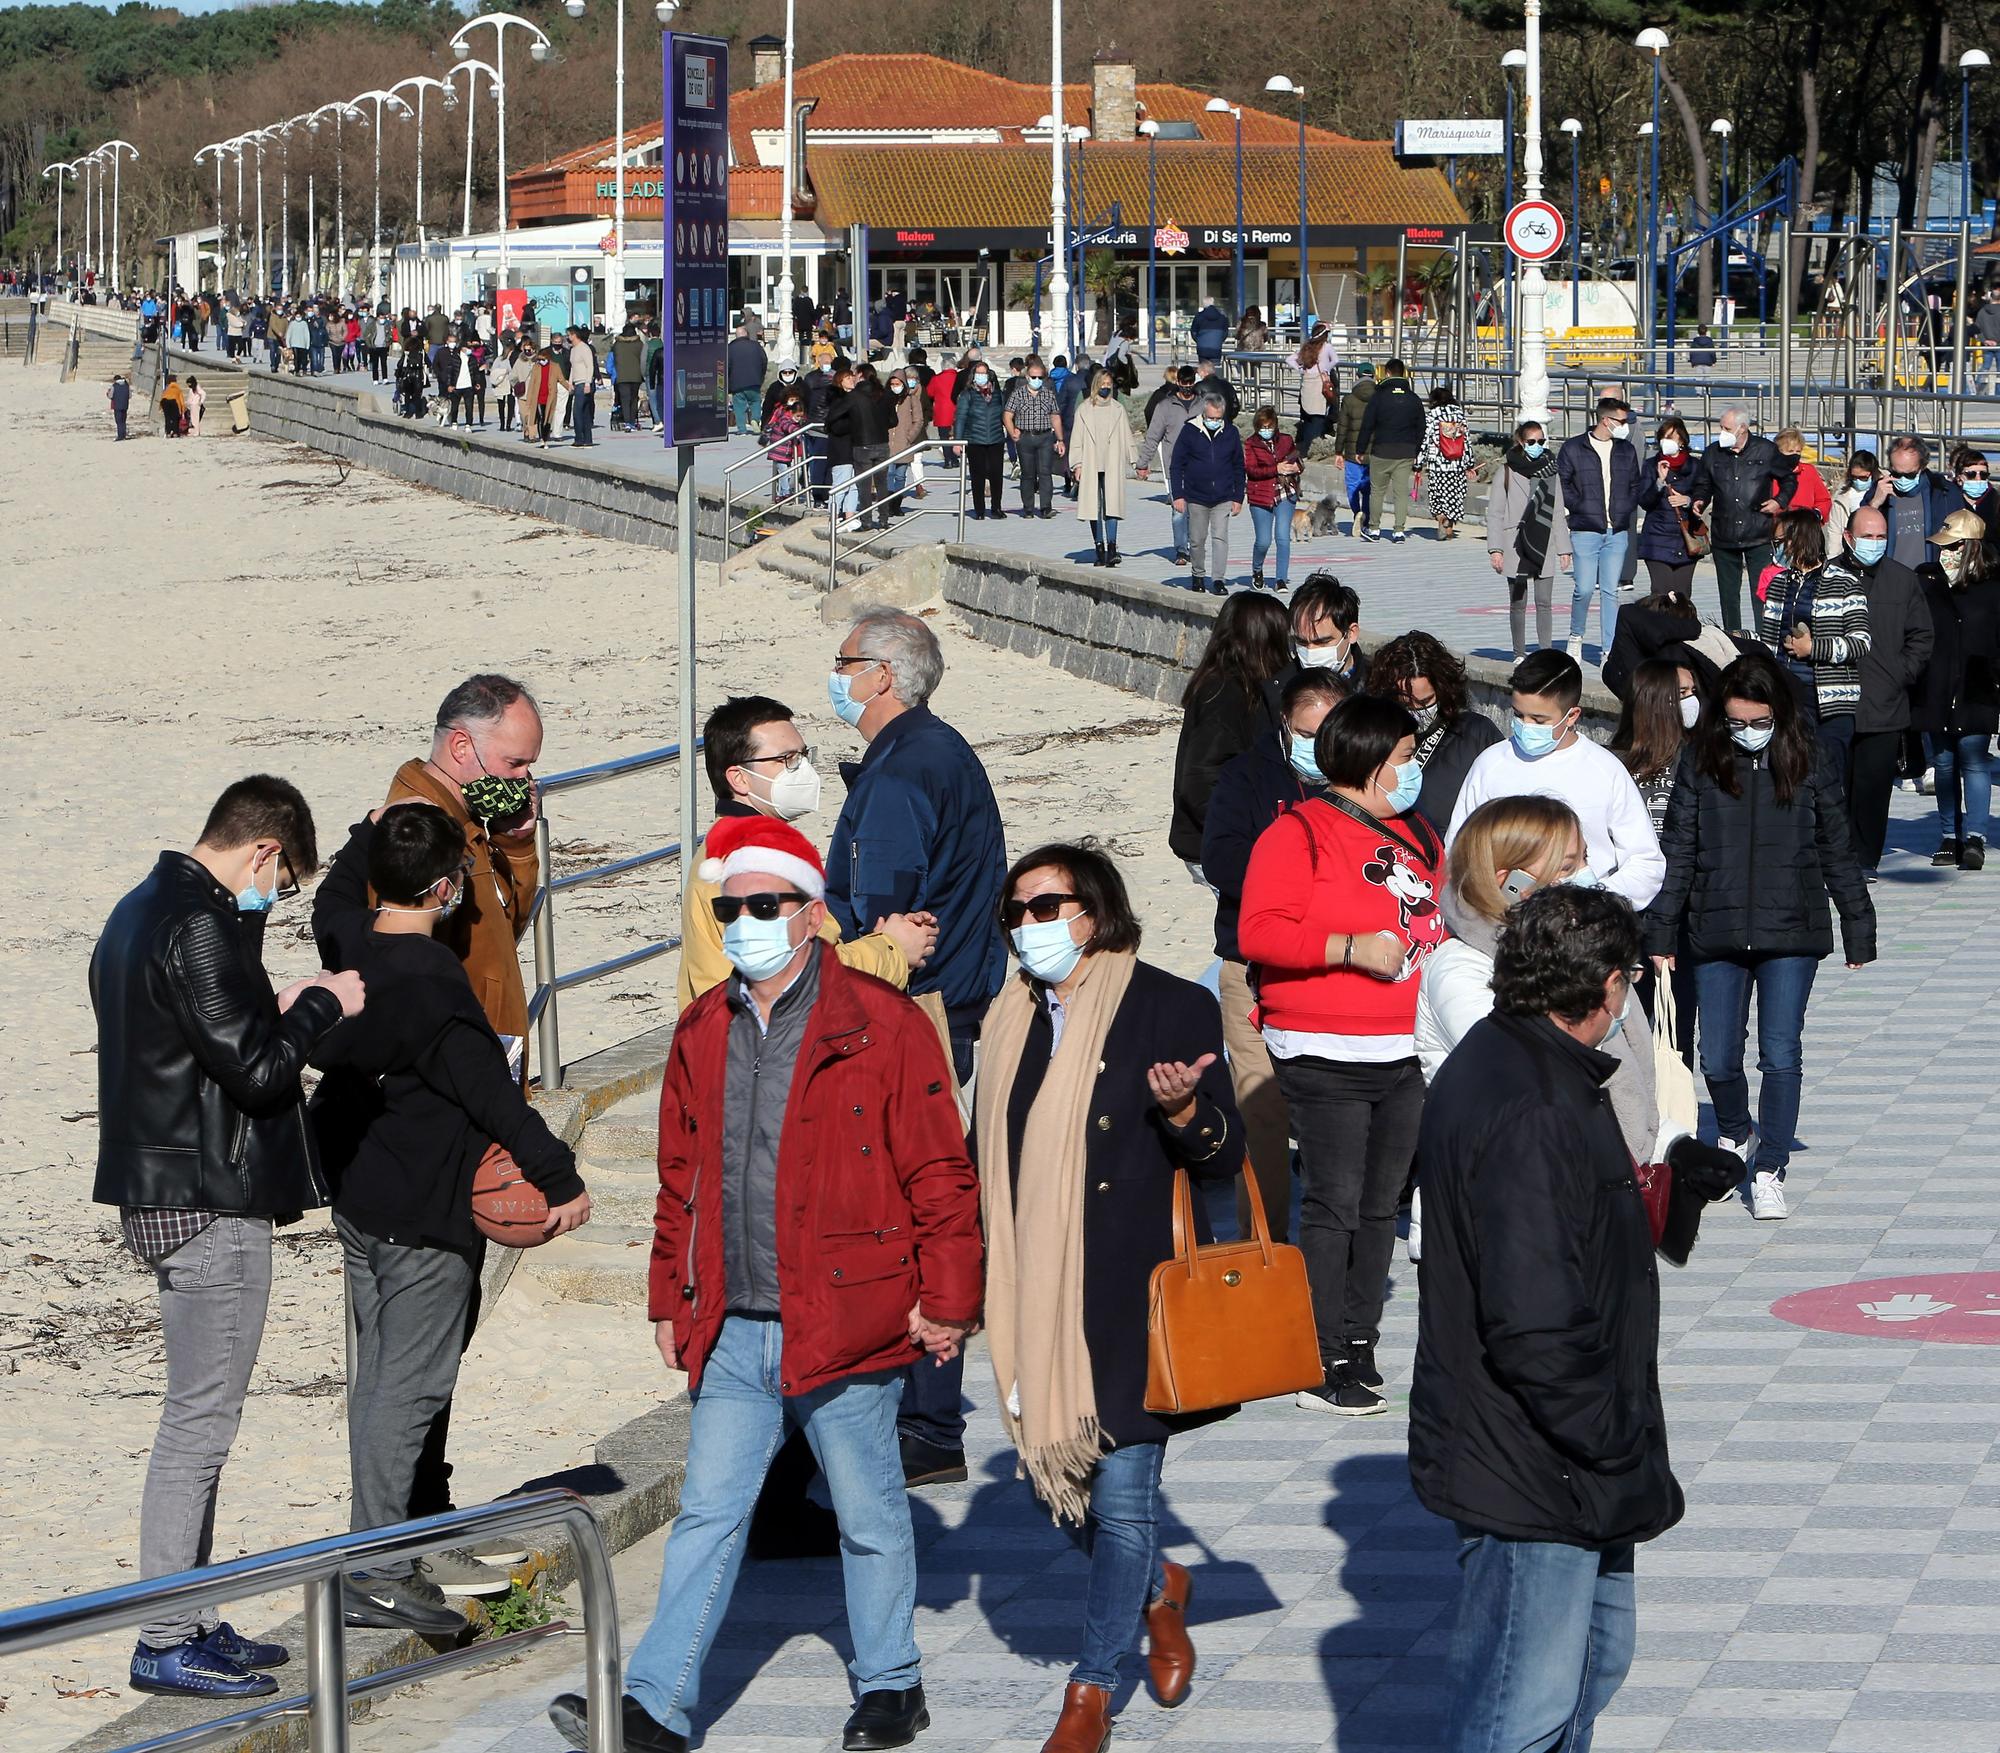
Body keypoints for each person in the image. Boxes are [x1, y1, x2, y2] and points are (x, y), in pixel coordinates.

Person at [548, 821, 980, 1753]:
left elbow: (942, 1171)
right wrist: (671, 1294)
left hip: (847, 1313)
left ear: (812, 913)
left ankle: (892, 1685)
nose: (744, 921)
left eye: (763, 904)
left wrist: (947, 1300)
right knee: (708, 1511)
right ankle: (655, 1707)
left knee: (867, 1513)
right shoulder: (703, 1027)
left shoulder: (884, 1022)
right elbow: (681, 1178)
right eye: (728, 907)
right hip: (734, 1321)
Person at [92, 777, 364, 1698]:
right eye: (281, 883)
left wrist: (273, 997)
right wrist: (323, 1004)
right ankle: (166, 1636)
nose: (275, 899)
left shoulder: (143, 908)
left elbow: (198, 1037)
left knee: (199, 1414)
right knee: (199, 1421)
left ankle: (192, 1608)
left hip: (162, 1184)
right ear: (263, 853)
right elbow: (255, 1072)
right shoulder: (200, 923)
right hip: (207, 1195)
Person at [976, 843, 1242, 1753]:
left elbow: (1224, 1154)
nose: (1029, 927)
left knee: (1122, 1499)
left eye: (1046, 907)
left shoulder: (1170, 1003)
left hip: (1129, 1294)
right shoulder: (1006, 1017)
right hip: (1034, 1296)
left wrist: (1181, 1114)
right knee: (1066, 1503)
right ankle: (1162, 1589)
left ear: (1095, 909)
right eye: (1016, 912)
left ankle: (1089, 1690)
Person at [1412, 883, 1686, 1753]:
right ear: (1607, 986)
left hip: (1568, 1452)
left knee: (1596, 1660)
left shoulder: (1535, 1066)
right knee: (1518, 1709)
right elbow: (1532, 1314)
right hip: (1537, 1459)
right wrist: (1607, 1433)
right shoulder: (1528, 1101)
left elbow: (1571, 1233)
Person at [309, 805, 590, 1635]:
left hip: (360, 1202)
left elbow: (330, 897)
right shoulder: (437, 987)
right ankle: (380, 1569)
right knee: (408, 1389)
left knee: (376, 1385)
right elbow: (496, 1098)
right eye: (461, 878)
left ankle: (384, 1544)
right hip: (426, 1219)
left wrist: (367, 832)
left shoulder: (351, 942)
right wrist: (560, 1178)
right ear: (442, 887)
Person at [824, 609, 1008, 1486]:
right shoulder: (936, 752)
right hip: (950, 1007)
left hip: (920, 1015)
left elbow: (884, 915)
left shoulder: (904, 772)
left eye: (845, 662)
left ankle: (925, 1421)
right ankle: (925, 1415)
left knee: (920, 1206)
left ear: (884, 675)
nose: (836, 675)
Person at [1238, 693, 1447, 1416]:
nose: (1412, 769)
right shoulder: (1298, 832)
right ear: (1367, 759)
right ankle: (1320, 1353)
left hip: (1405, 1045)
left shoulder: (1420, 829)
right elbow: (1259, 930)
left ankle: (1359, 1339)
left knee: (1384, 1202)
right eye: (1403, 758)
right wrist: (1348, 950)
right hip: (1324, 1044)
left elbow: (1438, 918)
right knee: (1335, 1198)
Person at [1646, 653, 1876, 1219]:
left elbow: (1836, 846)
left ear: (1779, 713)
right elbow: (1678, 849)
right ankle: (1734, 1132)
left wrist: (1857, 925)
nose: (1747, 734)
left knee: (1779, 1053)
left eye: (1758, 722)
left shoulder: (1810, 758)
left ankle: (1771, 1164)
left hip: (1791, 930)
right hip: (1715, 928)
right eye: (1736, 723)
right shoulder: (1701, 761)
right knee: (1718, 1058)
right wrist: (1660, 933)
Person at [1201, 668, 1348, 1243]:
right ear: (1286, 726)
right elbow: (1221, 857)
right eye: (1306, 733)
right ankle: (1263, 1235)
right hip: (1253, 962)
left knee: (1329, 1105)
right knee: (1259, 1101)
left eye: (1329, 733)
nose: (1319, 747)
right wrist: (1293, 897)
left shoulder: (1368, 779)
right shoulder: (1246, 776)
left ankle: (1333, 1237)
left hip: (1338, 965)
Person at [677, 695, 934, 1008]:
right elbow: (798, 982)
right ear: (739, 778)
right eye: (785, 760)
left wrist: (877, 943)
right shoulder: (752, 868)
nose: (801, 770)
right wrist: (892, 949)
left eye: (802, 755)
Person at [1448, 650, 1666, 906]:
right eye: (1518, 715)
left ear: (1572, 715)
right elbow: (1457, 849)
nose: (1525, 725)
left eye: (1539, 720)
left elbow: (1645, 862)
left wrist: (1594, 899)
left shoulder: (1605, 769)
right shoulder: (1490, 763)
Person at [1824, 506, 1935, 871]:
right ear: (1848, 537)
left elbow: (1921, 636)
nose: (1875, 543)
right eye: (1868, 536)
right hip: (1835, 702)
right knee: (1834, 789)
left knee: (1873, 791)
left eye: (1881, 536)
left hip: (1885, 703)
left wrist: (1902, 673)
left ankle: (1865, 860)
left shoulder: (1902, 580)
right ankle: (1835, 859)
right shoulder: (1827, 576)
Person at [1169, 592, 1291, 879]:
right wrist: (1239, 834)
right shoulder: (1224, 694)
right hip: (1219, 845)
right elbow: (1201, 779)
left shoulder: (1242, 686)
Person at [1911, 510, 2000, 869]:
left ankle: (1974, 837)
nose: (1946, 554)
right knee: (1944, 763)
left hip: (1978, 685)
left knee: (1974, 760)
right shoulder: (1926, 581)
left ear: (1973, 548)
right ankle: (1950, 834)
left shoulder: (1993, 585)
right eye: (1943, 548)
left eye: (1955, 547)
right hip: (1935, 684)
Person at [1758, 508, 1869, 763]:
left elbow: (1860, 642)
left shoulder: (1844, 583)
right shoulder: (1778, 583)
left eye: (1779, 542)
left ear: (1798, 539)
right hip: (1789, 696)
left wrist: (1813, 648)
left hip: (1833, 701)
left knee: (1830, 775)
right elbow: (1769, 642)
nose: (1775, 549)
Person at [1365, 632, 1504, 832]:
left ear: (1444, 689)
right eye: (1406, 704)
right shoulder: (1372, 739)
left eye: (1426, 702)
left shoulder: (1476, 732)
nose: (1417, 711)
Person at [1556, 395, 1642, 656]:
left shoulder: (1625, 450)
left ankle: (1608, 651)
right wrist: (1580, 505)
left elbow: (1635, 485)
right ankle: (1576, 635)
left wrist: (1625, 508)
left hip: (1616, 531)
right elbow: (1563, 483)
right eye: (1622, 421)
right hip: (1586, 529)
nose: (1626, 426)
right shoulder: (1574, 448)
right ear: (1606, 420)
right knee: (1583, 588)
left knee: (1610, 592)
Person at [1485, 417, 1573, 659]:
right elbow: (1495, 513)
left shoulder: (1550, 471)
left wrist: (1564, 548)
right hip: (1516, 544)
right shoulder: (1506, 471)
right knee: (1518, 602)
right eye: (1532, 441)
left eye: (1541, 441)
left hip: (1545, 540)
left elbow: (1558, 511)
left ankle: (1545, 653)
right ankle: (1520, 653)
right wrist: (1495, 549)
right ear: (1521, 442)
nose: (1537, 445)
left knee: (1544, 601)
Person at [1695, 408, 1780, 633]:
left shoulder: (1766, 450)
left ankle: (1765, 639)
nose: (1721, 432)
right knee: (1728, 595)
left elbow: (1789, 479)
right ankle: (1733, 638)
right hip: (1725, 533)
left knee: (1761, 593)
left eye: (1726, 428)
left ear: (1742, 428)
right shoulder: (1713, 453)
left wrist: (1779, 501)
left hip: (1758, 532)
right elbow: (1703, 485)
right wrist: (1699, 500)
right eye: (1721, 427)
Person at [1169, 390, 1245, 596]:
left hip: (1223, 496)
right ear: (1204, 414)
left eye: (1218, 418)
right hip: (1196, 496)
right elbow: (1176, 465)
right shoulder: (1190, 431)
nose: (1214, 421)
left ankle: (1218, 579)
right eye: (1210, 418)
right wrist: (1178, 494)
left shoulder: (1230, 432)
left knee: (1220, 538)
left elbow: (1239, 465)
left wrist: (1238, 497)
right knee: (1197, 539)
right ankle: (1198, 575)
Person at [1355, 357, 1424, 542]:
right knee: (1401, 493)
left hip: (1382, 450)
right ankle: (1399, 530)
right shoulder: (1413, 398)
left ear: (1386, 373)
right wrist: (1416, 450)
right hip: (1406, 452)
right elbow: (1421, 427)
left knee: (1377, 491)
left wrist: (1360, 448)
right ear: (1403, 373)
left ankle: (1374, 528)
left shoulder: (1378, 397)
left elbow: (1367, 424)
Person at [1069, 366, 1133, 567]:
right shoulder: (1085, 409)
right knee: (1093, 507)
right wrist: (1077, 464)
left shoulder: (1118, 409)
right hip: (1090, 462)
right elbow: (1077, 439)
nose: (1106, 387)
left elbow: (1127, 435)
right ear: (1096, 385)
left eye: (1109, 384)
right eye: (1102, 384)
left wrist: (1135, 461)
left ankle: (1112, 547)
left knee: (1112, 505)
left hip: (1112, 462)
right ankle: (1099, 548)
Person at [1136, 369, 1200, 564]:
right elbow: (1153, 436)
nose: (1188, 387)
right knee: (1179, 510)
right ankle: (1181, 549)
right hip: (1176, 465)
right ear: (1178, 382)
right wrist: (1143, 463)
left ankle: (1193, 546)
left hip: (1199, 466)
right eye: (1184, 383)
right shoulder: (1165, 406)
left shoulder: (1202, 404)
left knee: (1197, 511)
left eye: (1191, 383)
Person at [1637, 414, 1703, 598]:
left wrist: (1688, 500)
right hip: (1657, 538)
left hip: (1687, 538)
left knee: (1682, 596)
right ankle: (1658, 627)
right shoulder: (1651, 465)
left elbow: (1704, 494)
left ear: (1682, 440)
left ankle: (1680, 627)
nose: (1667, 441)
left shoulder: (1696, 466)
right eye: (1663, 437)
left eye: (1671, 437)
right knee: (1661, 594)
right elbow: (1644, 501)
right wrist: (1659, 482)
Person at [1243, 404, 1302, 589]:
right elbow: (1252, 470)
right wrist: (1275, 469)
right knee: (1263, 541)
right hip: (1261, 494)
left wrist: (1296, 467)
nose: (1266, 430)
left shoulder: (1286, 440)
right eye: (1262, 427)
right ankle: (1257, 569)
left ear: (1275, 425)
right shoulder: (1250, 443)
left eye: (1269, 427)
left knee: (1283, 536)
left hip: (1285, 492)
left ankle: (1281, 579)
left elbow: (1297, 460)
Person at [1003, 354, 1066, 519]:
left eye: (1040, 377)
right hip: (1025, 437)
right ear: (1027, 377)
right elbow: (1007, 415)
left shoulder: (1048, 394)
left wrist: (1060, 439)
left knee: (1045, 473)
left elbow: (1055, 416)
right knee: (1028, 474)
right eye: (1033, 377)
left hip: (1045, 436)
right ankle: (1028, 508)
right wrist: (1012, 432)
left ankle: (1046, 507)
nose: (1037, 380)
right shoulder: (1018, 394)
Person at [1285, 573, 1369, 690]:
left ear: (1351, 633)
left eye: (1322, 642)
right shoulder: (1278, 690)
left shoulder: (1378, 686)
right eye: (1302, 642)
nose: (1311, 652)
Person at [1419, 383, 1477, 540]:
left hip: (1437, 464)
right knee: (1454, 496)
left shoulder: (1432, 416)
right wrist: (1470, 463)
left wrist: (1418, 463)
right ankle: (1449, 527)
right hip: (1457, 463)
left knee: (1437, 496)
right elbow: (1466, 441)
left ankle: (1441, 519)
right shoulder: (1459, 415)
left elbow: (1425, 440)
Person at [952, 358, 1007, 520]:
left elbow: (1005, 415)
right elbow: (960, 418)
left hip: (996, 439)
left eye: (984, 373)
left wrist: (1012, 431)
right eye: (978, 374)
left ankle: (996, 507)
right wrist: (957, 441)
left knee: (996, 475)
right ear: (973, 376)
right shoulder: (967, 394)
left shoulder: (997, 394)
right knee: (978, 476)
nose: (981, 377)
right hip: (975, 440)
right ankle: (979, 510)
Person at [1334, 361, 1376, 538]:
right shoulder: (1380, 398)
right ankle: (1365, 519)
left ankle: (1356, 512)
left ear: (1357, 377)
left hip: (1352, 452)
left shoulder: (1349, 399)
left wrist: (1338, 452)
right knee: (1368, 489)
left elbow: (1342, 427)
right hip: (1373, 452)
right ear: (1374, 376)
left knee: (1353, 486)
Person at [1772, 427, 1831, 521]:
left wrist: (1817, 514)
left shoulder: (1809, 471)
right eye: (1790, 451)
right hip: (1776, 526)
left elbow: (1824, 500)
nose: (1794, 455)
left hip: (1806, 527)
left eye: (1798, 451)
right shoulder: (1769, 474)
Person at [1293, 323, 1335, 456]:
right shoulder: (1326, 347)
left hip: (1306, 386)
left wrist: (1301, 370)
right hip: (1319, 386)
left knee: (1309, 420)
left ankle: (1303, 450)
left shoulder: (1307, 347)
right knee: (1318, 419)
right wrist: (1325, 369)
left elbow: (1290, 359)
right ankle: (1312, 450)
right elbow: (1335, 360)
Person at [1827, 449, 1879, 550]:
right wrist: (1833, 559)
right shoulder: (1842, 498)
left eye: (1863, 477)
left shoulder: (1883, 492)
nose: (1858, 481)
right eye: (1854, 477)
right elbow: (1835, 532)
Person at [726, 318, 766, 436]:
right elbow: (764, 361)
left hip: (737, 383)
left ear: (736, 336)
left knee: (739, 406)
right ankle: (755, 419)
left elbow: (726, 366)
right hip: (754, 381)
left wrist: (728, 383)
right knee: (755, 402)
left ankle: (742, 429)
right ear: (747, 334)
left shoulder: (730, 348)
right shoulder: (756, 346)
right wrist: (761, 376)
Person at [566, 325, 598, 447]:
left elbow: (590, 366)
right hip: (576, 382)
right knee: (584, 412)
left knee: (578, 411)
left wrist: (588, 383)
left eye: (569, 335)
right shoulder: (573, 350)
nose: (568, 337)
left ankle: (579, 438)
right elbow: (573, 368)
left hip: (584, 383)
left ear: (574, 335)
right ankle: (587, 439)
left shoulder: (584, 348)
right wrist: (570, 382)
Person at [1190, 294, 1228, 362]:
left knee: (1203, 370)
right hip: (1216, 348)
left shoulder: (1199, 316)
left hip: (1202, 348)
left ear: (1204, 304)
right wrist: (1218, 340)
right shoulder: (1222, 317)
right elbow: (1225, 333)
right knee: (1215, 370)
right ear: (1213, 303)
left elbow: (1193, 332)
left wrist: (1199, 340)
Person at [159, 373, 185, 437]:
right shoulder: (178, 388)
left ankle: (168, 432)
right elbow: (181, 401)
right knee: (175, 418)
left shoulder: (167, 388)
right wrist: (183, 411)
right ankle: (175, 433)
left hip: (164, 401)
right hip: (174, 401)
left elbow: (163, 396)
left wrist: (160, 407)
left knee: (167, 418)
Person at [107, 373, 130, 440]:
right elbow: (130, 395)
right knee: (123, 421)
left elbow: (110, 396)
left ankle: (120, 436)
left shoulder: (114, 386)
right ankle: (124, 435)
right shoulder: (126, 385)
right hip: (125, 405)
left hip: (117, 405)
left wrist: (108, 394)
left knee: (119, 421)